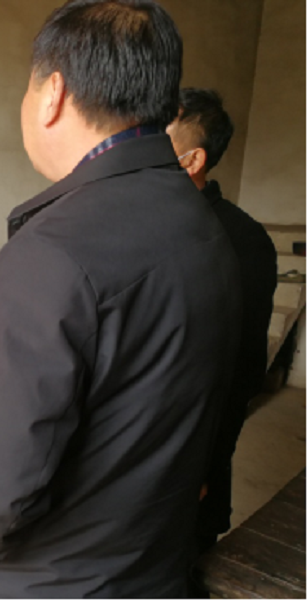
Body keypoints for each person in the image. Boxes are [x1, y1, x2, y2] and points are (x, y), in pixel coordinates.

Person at [0, 1, 243, 597]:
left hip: (48, 579)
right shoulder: (203, 224)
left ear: (53, 94)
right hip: (146, 562)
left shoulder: (55, 250)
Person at [167, 87, 278, 596]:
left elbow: (241, 370)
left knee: (180, 568)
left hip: (190, 455)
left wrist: (205, 463)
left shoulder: (241, 240)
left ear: (193, 160)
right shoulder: (133, 224)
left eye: (156, 139)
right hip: (125, 457)